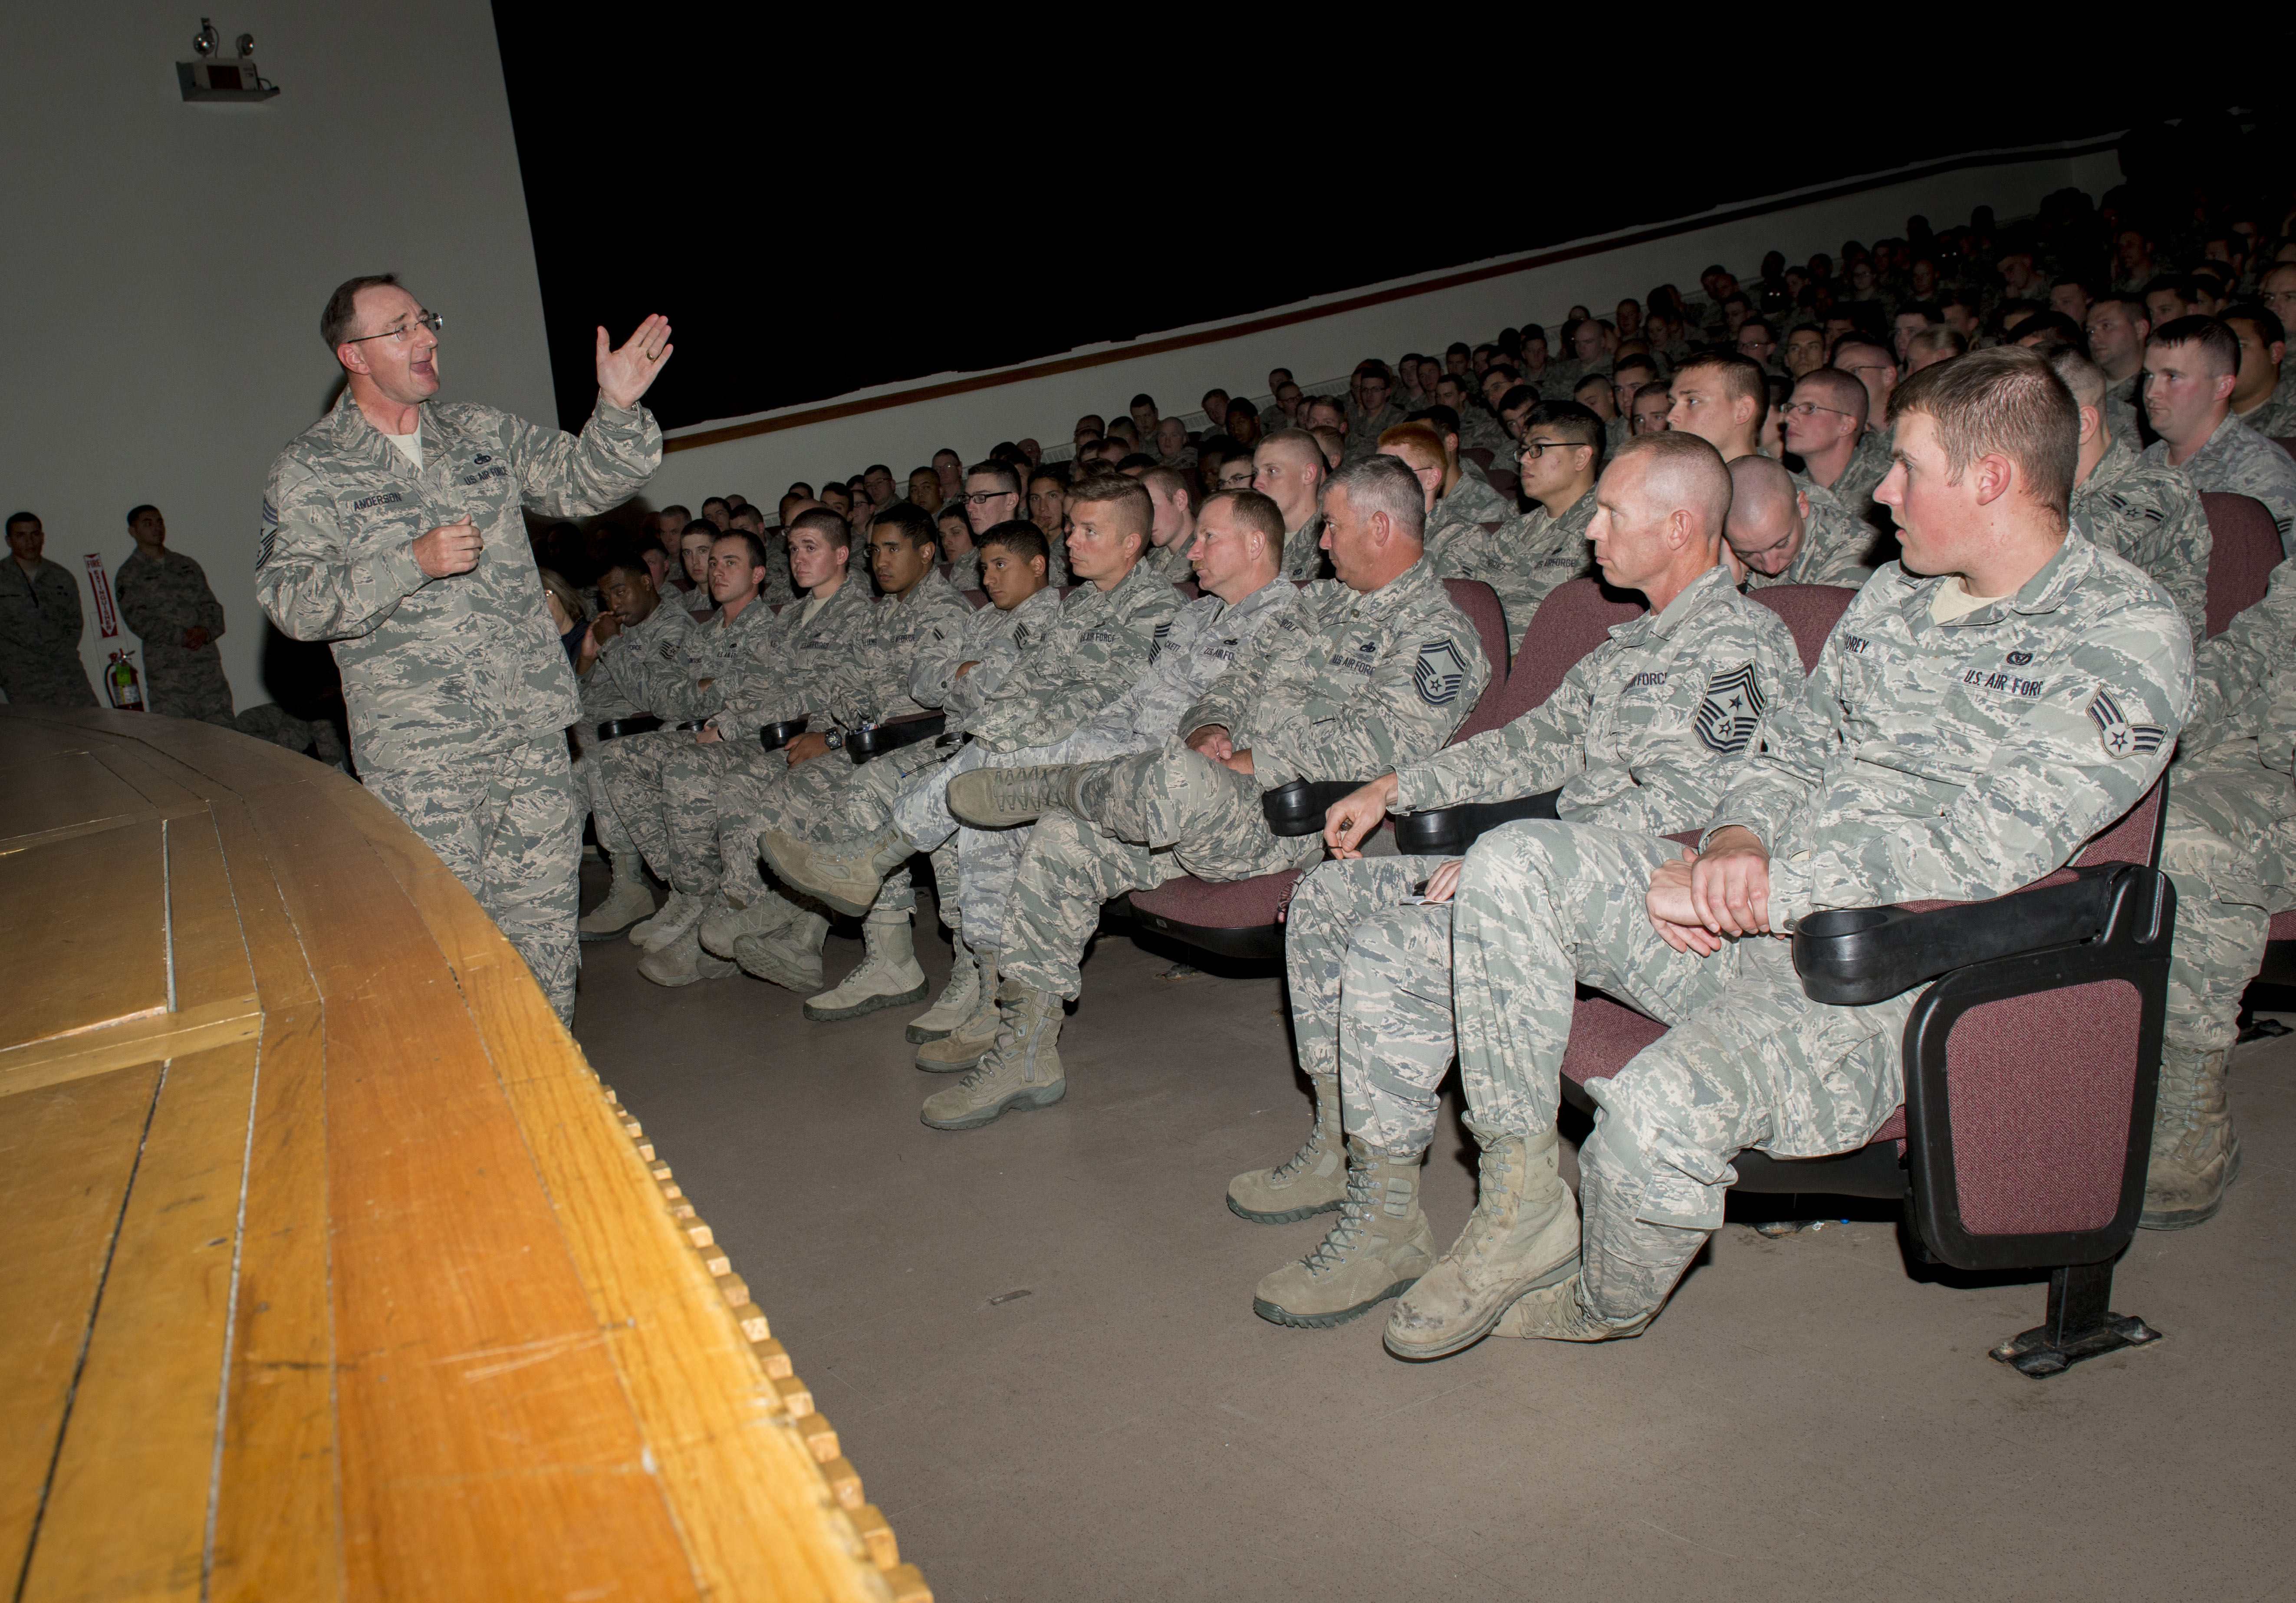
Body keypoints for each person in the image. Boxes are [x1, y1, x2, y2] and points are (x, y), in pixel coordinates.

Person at [1417, 349, 2190, 1354]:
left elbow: (1982, 853)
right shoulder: (1896, 596)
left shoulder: (2122, 633)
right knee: (1514, 857)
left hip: (1881, 969)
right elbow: (1789, 746)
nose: (1879, 489)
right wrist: (1735, 836)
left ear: (1988, 478)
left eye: (1906, 466)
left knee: (1649, 1114)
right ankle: (1516, 1206)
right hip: (1756, 909)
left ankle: (1599, 1304)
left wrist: (1755, 888)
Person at [1244, 434, 1804, 1327]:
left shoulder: (1739, 643)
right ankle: (1356, 1160)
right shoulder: (1633, 643)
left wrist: (1524, 861)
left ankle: (1474, 1210)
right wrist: (1394, 787)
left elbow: (1686, 810)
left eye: (1614, 512)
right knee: (1331, 894)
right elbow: (1530, 740)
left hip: (1658, 908)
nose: (1591, 530)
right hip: (1563, 870)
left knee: (1396, 938)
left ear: (1679, 524)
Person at [930, 455, 1490, 1130]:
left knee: (1164, 776)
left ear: (1378, 527)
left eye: (1332, 526)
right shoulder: (1314, 605)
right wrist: (1214, 728)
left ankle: (1057, 783)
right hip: (1204, 801)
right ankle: (1023, 1051)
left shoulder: (1440, 632)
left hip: (1299, 822)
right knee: (1065, 838)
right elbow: (1231, 681)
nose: (1319, 540)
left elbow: (1380, 751)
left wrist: (1245, 760)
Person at [258, 274, 667, 1022]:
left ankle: (549, 1098)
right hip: (425, 757)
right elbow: (292, 602)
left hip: (531, 733)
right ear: (353, 353)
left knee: (545, 936)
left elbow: (584, 481)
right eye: (402, 329)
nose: (427, 338)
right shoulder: (312, 468)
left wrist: (616, 408)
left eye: (427, 321)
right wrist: (407, 561)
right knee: (447, 946)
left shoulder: (479, 431)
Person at [756, 475, 1180, 1052]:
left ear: (1130, 543)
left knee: (982, 763)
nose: (1071, 542)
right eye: (1072, 528)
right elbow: (1027, 681)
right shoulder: (1080, 602)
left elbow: (1095, 696)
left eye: (1087, 530)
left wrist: (994, 731)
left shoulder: (1155, 605)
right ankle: (989, 996)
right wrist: (991, 727)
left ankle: (868, 861)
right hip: (1046, 743)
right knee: (976, 809)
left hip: (1111, 756)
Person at [598, 518, 861, 985]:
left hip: (794, 736)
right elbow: (748, 686)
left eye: (810, 548)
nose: (798, 558)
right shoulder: (792, 618)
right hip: (754, 728)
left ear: (841, 554)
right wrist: (724, 713)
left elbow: (820, 692)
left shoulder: (853, 614)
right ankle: (696, 897)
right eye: (794, 549)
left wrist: (728, 721)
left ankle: (720, 916)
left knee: (701, 774)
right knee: (618, 758)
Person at [2148, 553, 2296, 1228]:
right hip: (2249, 755)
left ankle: (2192, 1115)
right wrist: (2166, 717)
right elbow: (2253, 643)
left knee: (2191, 857)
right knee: (2131, 815)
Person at [2045, 347, 2210, 644]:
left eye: (2024, 424)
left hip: (2140, 661)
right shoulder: (2044, 487)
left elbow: (2050, 558)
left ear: (2082, 426)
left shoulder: (2157, 487)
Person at [573, 552, 700, 938]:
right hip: (589, 729)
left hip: (637, 732)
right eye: (606, 596)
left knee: (590, 766)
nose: (613, 603)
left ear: (647, 582)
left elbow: (655, 700)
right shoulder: (619, 628)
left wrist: (612, 644)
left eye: (619, 591)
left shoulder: (674, 626)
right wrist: (587, 659)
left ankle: (629, 887)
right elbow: (580, 695)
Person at [2141, 316, 2296, 556]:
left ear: (2222, 387)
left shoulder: (2261, 471)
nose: (2152, 392)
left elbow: (2280, 579)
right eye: (2148, 376)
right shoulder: (2145, 462)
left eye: (2172, 377)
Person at [114, 504, 235, 726]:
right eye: (148, 524)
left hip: (206, 670)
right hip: (169, 676)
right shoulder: (129, 574)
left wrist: (204, 631)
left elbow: (211, 607)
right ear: (133, 531)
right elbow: (138, 620)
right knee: (180, 743)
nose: (157, 528)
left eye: (160, 522)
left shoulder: (186, 565)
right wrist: (181, 636)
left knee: (225, 737)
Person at [1724, 454, 1877, 589]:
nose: (1770, 567)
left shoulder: (1857, 550)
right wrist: (1732, 582)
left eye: (1781, 544)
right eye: (1747, 554)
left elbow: (1823, 620)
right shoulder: (1724, 550)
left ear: (1802, 506)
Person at [0, 511, 98, 707]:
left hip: (66, 673)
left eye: (35, 534)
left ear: (43, 537)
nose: (30, 542)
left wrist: (60, 650)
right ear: (9, 541)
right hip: (21, 678)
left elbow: (74, 625)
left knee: (93, 728)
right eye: (21, 536)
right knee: (40, 736)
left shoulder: (61, 577)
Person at [1251, 429, 1331, 580]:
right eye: (1256, 473)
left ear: (1308, 475)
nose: (1256, 483)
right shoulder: (1255, 539)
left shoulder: (1332, 542)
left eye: (1272, 471)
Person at [2085, 294, 2154, 448]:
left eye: (2107, 326)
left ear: (2140, 329)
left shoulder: (2154, 392)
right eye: (2091, 332)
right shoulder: (2083, 387)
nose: (2094, 339)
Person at [2223, 303, 2296, 438]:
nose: (2224, 355)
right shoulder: (2196, 406)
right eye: (2218, 347)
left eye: (2240, 346)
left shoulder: (2290, 413)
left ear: (2275, 353)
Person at [1139, 465, 1199, 582]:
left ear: (1180, 501)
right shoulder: (1150, 558)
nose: (1145, 520)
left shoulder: (1209, 559)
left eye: (1152, 507)